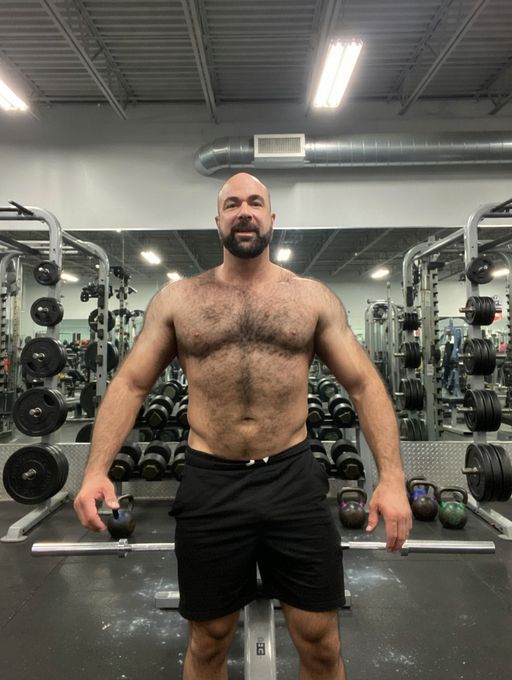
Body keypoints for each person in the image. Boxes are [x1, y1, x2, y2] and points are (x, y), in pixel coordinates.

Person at [74, 172, 412, 680]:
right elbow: (131, 383)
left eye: (255, 202)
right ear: (218, 221)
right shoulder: (179, 300)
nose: (244, 211)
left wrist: (392, 478)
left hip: (291, 478)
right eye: (232, 204)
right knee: (209, 639)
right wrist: (95, 470)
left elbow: (364, 384)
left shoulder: (311, 298)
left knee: (320, 640)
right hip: (211, 480)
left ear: (272, 218)